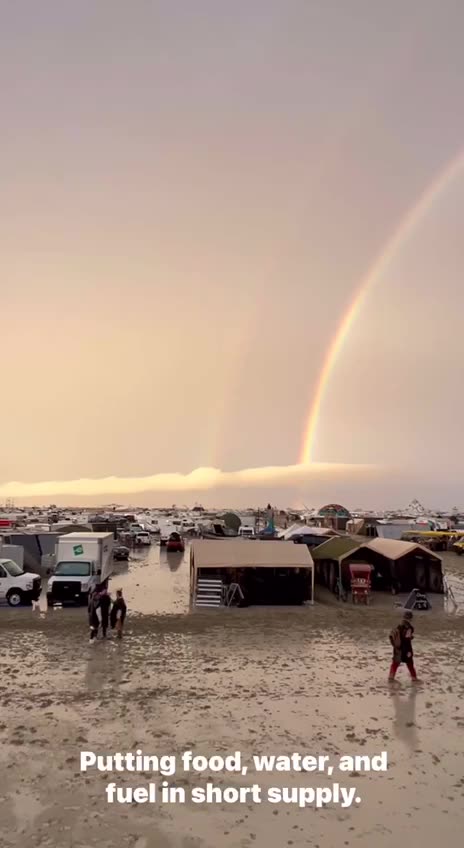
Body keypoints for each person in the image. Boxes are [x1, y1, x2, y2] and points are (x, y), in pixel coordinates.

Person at [388, 611, 419, 681]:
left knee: (395, 663)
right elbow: (406, 638)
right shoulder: (409, 627)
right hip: (406, 649)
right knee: (410, 663)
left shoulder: (399, 626)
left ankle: (391, 676)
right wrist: (411, 637)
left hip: (397, 648)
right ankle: (414, 678)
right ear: (410, 619)